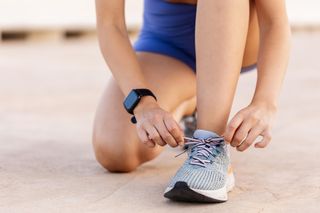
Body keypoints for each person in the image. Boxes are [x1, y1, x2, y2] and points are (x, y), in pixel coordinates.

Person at [93, 0, 291, 203]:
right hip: (168, 44)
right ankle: (195, 102)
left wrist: (265, 101)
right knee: (117, 151)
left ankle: (211, 142)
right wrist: (143, 103)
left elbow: (274, 22)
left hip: (239, 37)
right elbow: (111, 24)